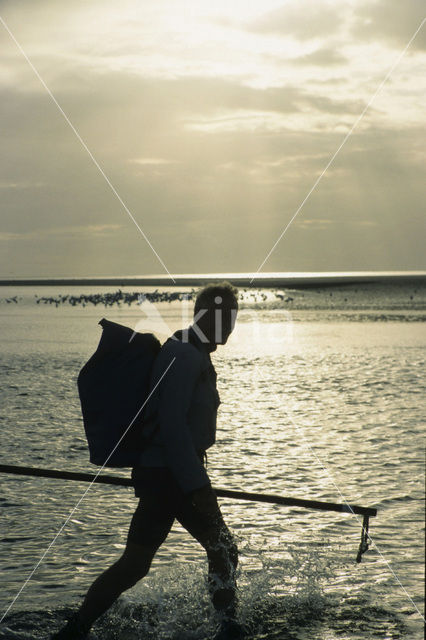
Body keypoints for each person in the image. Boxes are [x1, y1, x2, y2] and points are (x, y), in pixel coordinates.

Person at [51, 282, 243, 640]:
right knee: (222, 549)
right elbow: (172, 426)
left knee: (137, 564)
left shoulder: (191, 350)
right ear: (208, 316)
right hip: (171, 475)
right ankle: (228, 628)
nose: (231, 325)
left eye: (233, 317)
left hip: (165, 474)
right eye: (227, 316)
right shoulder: (185, 355)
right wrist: (198, 486)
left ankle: (76, 629)